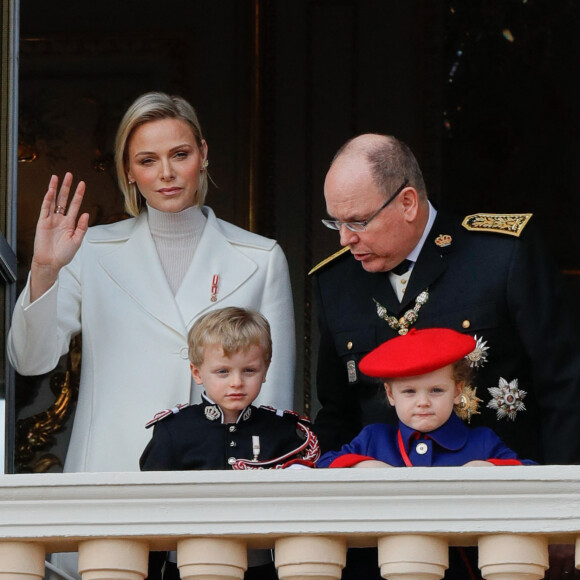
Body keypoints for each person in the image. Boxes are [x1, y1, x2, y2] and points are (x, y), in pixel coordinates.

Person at [7, 92, 295, 578]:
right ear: (128, 171)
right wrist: (43, 271)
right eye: (147, 160)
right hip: (111, 480)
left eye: (179, 154)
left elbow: (277, 396)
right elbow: (30, 360)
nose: (166, 173)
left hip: (221, 486)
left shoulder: (261, 256)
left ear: (202, 155)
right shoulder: (91, 250)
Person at [311, 133, 580, 579]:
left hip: (503, 530)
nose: (344, 239)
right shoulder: (336, 282)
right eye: (335, 223)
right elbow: (337, 414)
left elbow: (564, 384)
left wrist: (560, 515)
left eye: (357, 222)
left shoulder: (500, 254)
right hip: (379, 542)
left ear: (408, 203)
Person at [141, 306, 319, 580]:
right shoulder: (174, 431)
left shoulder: (282, 431)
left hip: (260, 569)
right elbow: (150, 513)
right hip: (189, 569)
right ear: (197, 373)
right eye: (222, 372)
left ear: (265, 370)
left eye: (249, 370)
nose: (237, 382)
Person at [318, 328, 535, 469]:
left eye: (436, 390)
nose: (423, 402)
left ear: (457, 391)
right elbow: (322, 466)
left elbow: (532, 474)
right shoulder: (373, 440)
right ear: (391, 394)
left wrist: (490, 468)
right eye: (409, 392)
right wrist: (359, 466)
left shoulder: (482, 442)